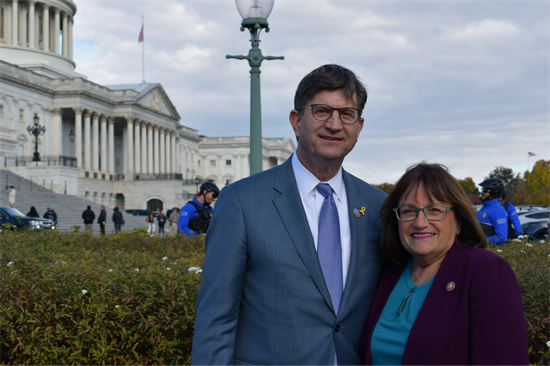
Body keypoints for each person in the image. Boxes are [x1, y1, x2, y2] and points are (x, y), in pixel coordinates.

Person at [192, 64, 387, 366]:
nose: (335, 125)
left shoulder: (378, 207)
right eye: (322, 111)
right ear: (297, 121)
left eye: (346, 114)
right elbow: (215, 319)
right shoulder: (242, 202)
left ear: (359, 127)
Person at [360, 162, 528, 366]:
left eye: (435, 209)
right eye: (408, 211)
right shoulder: (390, 269)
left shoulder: (486, 271)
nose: (419, 222)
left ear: (458, 221)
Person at [476, 178, 508, 244]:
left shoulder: (498, 210)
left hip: (484, 250)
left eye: (485, 190)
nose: (482, 192)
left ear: (492, 193)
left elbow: (501, 237)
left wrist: (480, 242)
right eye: (482, 190)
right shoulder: (485, 207)